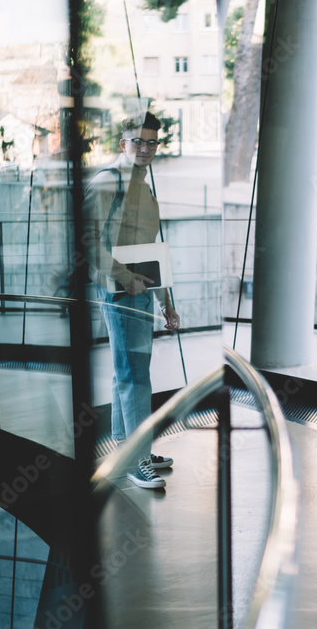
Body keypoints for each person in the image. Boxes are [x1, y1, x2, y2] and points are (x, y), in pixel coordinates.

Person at [84, 112, 179, 489]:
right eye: (137, 141)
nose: (144, 148)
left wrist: (165, 301)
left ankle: (126, 447)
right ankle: (138, 457)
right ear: (122, 143)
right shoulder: (109, 183)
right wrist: (124, 278)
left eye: (151, 142)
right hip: (119, 291)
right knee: (135, 373)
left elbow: (152, 250)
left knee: (127, 369)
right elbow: (88, 242)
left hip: (139, 291)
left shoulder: (142, 185)